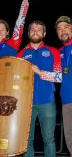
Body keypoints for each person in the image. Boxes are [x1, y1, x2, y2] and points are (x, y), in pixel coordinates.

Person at [17, 20, 62, 157]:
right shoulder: (20, 55)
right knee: (26, 141)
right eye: (32, 29)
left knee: (49, 140)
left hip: (47, 103)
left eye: (39, 29)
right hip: (26, 105)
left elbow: (59, 77)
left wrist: (40, 72)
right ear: (29, 33)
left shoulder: (53, 51)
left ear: (44, 33)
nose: (35, 31)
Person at [55, 15, 72, 156]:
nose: (63, 31)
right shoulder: (58, 53)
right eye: (59, 29)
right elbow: (54, 75)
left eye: (66, 27)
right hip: (66, 102)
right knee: (70, 140)